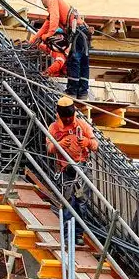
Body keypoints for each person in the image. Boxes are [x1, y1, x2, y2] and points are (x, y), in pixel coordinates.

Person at [46, 96, 99, 246]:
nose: (68, 120)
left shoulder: (82, 125)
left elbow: (96, 145)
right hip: (65, 170)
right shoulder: (54, 128)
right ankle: (67, 236)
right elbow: (49, 148)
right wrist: (59, 144)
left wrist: (87, 142)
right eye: (65, 118)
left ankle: (78, 234)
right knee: (68, 202)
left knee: (81, 202)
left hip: (81, 168)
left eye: (70, 117)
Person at [29, 0, 92, 99]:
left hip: (78, 32)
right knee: (83, 62)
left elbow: (54, 19)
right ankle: (83, 92)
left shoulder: (53, 0)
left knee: (74, 60)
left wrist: (48, 36)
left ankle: (72, 92)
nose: (44, 5)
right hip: (84, 31)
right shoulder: (59, 4)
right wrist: (33, 41)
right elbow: (45, 27)